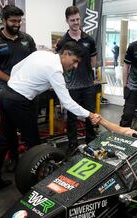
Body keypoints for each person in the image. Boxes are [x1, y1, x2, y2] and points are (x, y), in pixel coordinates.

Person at [0, 41, 101, 191]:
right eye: (74, 61)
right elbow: (67, 103)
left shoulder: (42, 54)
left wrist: (20, 83)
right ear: (65, 54)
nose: (75, 66)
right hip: (19, 101)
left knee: (4, 139)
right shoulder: (55, 70)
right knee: (36, 147)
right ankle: (40, 188)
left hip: (6, 95)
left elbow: (15, 68)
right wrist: (90, 114)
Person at [0, 4, 36, 172]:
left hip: (28, 92)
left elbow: (35, 62)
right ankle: (14, 159)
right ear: (4, 20)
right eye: (13, 21)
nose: (17, 24)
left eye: (19, 21)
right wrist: (13, 81)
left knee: (30, 127)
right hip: (6, 91)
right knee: (9, 130)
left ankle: (33, 160)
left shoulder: (27, 39)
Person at [55, 6, 97, 153]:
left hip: (88, 85)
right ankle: (72, 144)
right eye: (72, 20)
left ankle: (91, 142)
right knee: (71, 117)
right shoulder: (62, 42)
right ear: (67, 21)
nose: (76, 22)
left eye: (78, 19)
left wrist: (86, 75)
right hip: (71, 86)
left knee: (90, 114)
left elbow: (93, 61)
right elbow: (59, 63)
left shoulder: (89, 39)